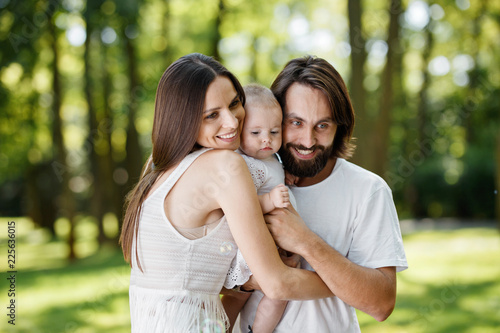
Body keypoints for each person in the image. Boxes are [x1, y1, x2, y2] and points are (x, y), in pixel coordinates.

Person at [119, 53, 332, 333]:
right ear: (183, 121)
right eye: (212, 115)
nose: (232, 122)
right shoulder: (224, 166)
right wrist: (351, 285)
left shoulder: (158, 170)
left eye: (234, 103)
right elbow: (277, 283)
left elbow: (192, 294)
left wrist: (243, 286)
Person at [238, 56, 408, 332]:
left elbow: (382, 303)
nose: (307, 141)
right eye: (295, 123)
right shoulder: (243, 176)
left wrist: (305, 241)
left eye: (322, 125)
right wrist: (248, 280)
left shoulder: (367, 190)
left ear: (339, 127)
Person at [222, 84, 296, 333]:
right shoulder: (245, 165)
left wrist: (287, 176)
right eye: (256, 132)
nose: (267, 139)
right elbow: (240, 207)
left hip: (277, 240)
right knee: (276, 292)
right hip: (256, 245)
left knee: (280, 295)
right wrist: (270, 201)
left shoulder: (272, 158)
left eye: (274, 131)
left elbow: (274, 175)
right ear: (239, 130)